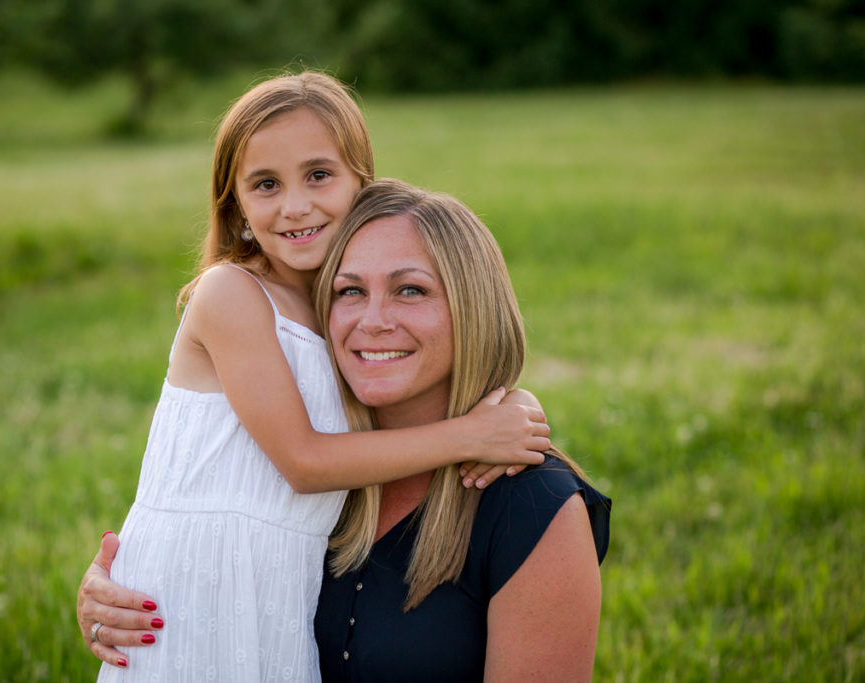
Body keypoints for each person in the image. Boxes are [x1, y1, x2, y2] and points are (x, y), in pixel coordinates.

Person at [79, 73, 551, 682]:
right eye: (266, 185)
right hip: (198, 588)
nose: (295, 205)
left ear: (363, 183)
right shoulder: (233, 294)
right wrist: (474, 435)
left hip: (278, 587)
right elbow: (302, 461)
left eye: (319, 175)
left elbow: (407, 390)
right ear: (237, 206)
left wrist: (510, 403)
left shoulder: (345, 310)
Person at [312, 179, 610, 681]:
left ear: (472, 309)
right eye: (350, 291)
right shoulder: (299, 460)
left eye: (410, 290)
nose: (373, 319)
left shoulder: (531, 507)